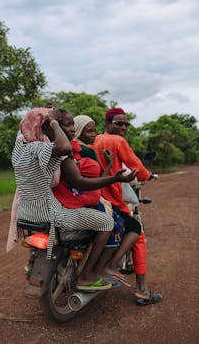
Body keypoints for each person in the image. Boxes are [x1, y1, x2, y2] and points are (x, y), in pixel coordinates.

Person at [12, 106, 137, 292]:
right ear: (43, 128)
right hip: (50, 212)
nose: (70, 129)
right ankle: (86, 276)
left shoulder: (20, 147)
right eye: (65, 125)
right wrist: (53, 122)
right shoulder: (45, 148)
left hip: (26, 212)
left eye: (72, 125)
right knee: (106, 221)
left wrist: (47, 117)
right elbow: (66, 153)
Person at [53, 112, 141, 287]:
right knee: (115, 224)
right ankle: (98, 270)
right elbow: (83, 181)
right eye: (89, 131)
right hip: (80, 201)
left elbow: (91, 179)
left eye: (94, 131)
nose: (93, 135)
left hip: (74, 199)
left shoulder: (66, 149)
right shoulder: (78, 151)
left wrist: (108, 167)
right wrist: (115, 178)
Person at [93, 107, 162, 305]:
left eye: (126, 124)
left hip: (93, 197)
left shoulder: (96, 139)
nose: (123, 127)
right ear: (108, 124)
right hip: (112, 199)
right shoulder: (118, 141)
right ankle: (141, 290)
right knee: (137, 234)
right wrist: (147, 175)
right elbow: (136, 166)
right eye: (119, 123)